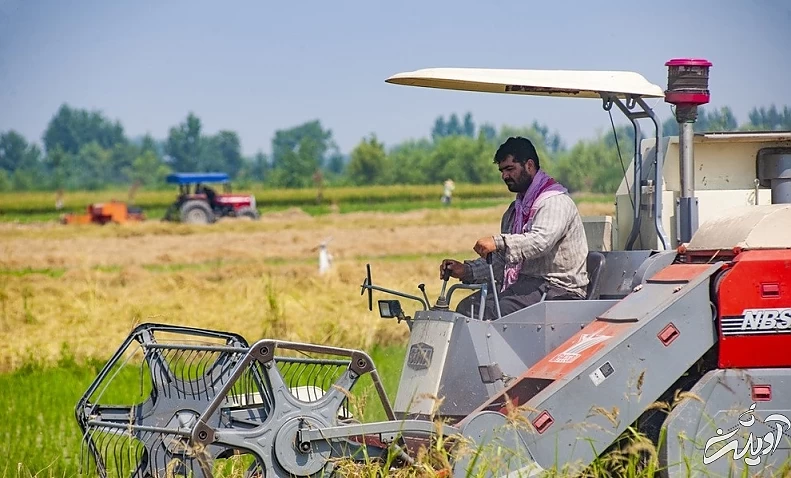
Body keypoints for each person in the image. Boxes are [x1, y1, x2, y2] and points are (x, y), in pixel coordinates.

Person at [440, 136, 589, 320]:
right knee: (468, 307)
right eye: (502, 170)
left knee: (490, 313)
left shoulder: (554, 201)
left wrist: (499, 242)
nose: (505, 176)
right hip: (528, 285)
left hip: (559, 289)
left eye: (510, 169)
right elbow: (504, 261)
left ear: (529, 165)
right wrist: (467, 270)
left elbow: (541, 241)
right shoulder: (515, 211)